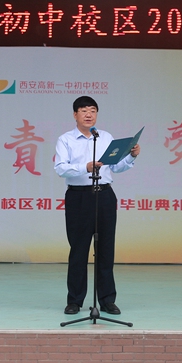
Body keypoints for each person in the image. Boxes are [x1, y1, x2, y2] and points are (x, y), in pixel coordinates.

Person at [54, 96, 140, 315]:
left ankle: (107, 300)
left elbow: (116, 167)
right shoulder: (66, 140)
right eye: (84, 110)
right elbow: (60, 168)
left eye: (93, 110)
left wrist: (131, 157)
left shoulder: (105, 137)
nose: (89, 114)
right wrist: (85, 167)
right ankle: (75, 300)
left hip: (104, 196)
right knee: (79, 250)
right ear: (75, 115)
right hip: (79, 197)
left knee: (105, 250)